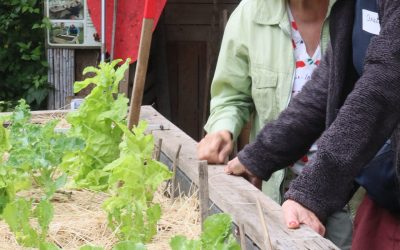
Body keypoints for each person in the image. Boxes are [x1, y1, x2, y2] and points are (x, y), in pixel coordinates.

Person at [225, 0, 400, 248]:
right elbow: (329, 85)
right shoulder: (353, 5)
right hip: (385, 193)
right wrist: (261, 155)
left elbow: (384, 84)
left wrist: (311, 193)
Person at [197, 0, 355, 248]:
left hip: (344, 192)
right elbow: (231, 95)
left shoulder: (356, 11)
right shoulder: (251, 14)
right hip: (273, 188)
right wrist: (223, 128)